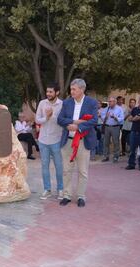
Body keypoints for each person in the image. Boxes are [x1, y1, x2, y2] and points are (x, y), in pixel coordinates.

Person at [57, 78, 98, 208]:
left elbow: (94, 120)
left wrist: (79, 127)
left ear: (82, 89)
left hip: (83, 142)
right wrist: (75, 122)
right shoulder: (67, 102)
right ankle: (67, 195)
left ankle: (81, 196)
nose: (71, 91)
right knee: (66, 171)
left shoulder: (91, 103)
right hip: (68, 142)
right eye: (71, 89)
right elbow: (60, 119)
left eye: (74, 89)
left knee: (82, 171)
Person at [35, 82, 64, 200]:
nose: (48, 94)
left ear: (57, 92)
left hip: (56, 140)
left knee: (58, 166)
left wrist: (51, 116)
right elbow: (37, 119)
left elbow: (62, 121)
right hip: (43, 140)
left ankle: (60, 189)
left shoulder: (62, 104)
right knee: (44, 166)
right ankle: (47, 189)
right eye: (47, 91)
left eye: (51, 92)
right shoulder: (42, 103)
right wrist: (46, 117)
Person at [101, 97, 124, 163]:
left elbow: (121, 119)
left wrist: (115, 117)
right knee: (106, 142)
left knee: (116, 142)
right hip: (107, 127)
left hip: (115, 127)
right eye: (109, 101)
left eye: (111, 101)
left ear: (115, 102)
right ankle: (106, 156)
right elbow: (103, 119)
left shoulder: (119, 109)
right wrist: (106, 117)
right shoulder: (106, 109)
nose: (109, 103)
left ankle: (116, 157)